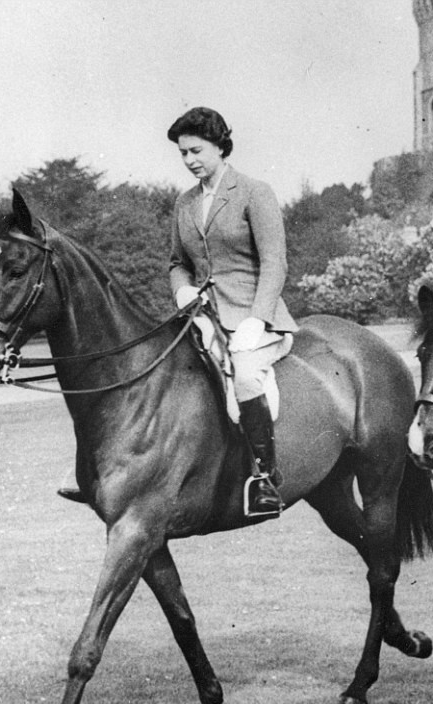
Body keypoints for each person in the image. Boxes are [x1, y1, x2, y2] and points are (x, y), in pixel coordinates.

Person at [167, 106, 298, 517]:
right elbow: (177, 262)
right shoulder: (184, 203)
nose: (189, 160)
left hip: (254, 315)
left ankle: (265, 479)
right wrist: (182, 290)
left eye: (196, 151)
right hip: (203, 315)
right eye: (183, 153)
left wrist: (258, 319)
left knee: (245, 376)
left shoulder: (254, 192)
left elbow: (275, 262)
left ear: (220, 147)